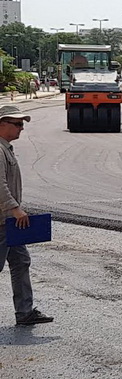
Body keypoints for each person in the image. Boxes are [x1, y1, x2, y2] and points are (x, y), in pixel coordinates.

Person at [0, 105, 53, 326]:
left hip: (10, 222)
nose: (21, 128)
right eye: (17, 124)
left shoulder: (6, 149)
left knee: (21, 261)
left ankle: (24, 313)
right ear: (2, 124)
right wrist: (14, 208)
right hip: (3, 220)